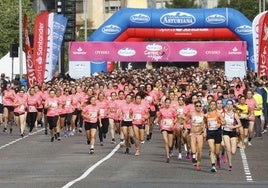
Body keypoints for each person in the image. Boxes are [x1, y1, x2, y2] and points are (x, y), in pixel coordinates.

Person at [205, 100, 225, 173]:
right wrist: (204, 131)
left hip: (217, 132)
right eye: (211, 104)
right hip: (210, 132)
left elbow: (224, 122)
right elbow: (204, 123)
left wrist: (220, 124)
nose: (213, 106)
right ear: (209, 106)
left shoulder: (219, 114)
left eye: (214, 104)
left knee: (217, 151)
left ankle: (218, 158)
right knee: (212, 149)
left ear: (216, 106)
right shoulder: (206, 115)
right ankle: (213, 166)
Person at [222, 99, 242, 171]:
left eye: (231, 104)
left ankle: (227, 153)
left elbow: (240, 124)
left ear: (233, 106)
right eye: (228, 104)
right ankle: (230, 164)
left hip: (233, 133)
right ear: (226, 105)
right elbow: (220, 122)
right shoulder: (223, 114)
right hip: (225, 132)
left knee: (233, 151)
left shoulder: (235, 115)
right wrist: (222, 123)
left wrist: (234, 126)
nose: (229, 105)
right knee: (228, 149)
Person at [157, 98, 177, 163]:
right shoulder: (161, 110)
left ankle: (170, 149)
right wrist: (160, 125)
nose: (167, 104)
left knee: (170, 144)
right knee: (166, 141)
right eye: (166, 102)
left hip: (170, 127)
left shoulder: (173, 110)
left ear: (170, 103)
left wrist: (173, 123)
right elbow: (159, 118)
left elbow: (176, 118)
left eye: (168, 102)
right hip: (164, 127)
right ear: (164, 103)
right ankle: (167, 156)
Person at [189, 101, 206, 170]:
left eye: (199, 106)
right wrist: (186, 129)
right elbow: (185, 120)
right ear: (195, 106)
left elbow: (205, 124)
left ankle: (198, 164)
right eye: (197, 106)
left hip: (200, 134)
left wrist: (204, 131)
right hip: (193, 133)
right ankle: (193, 155)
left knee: (200, 150)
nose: (198, 107)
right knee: (193, 150)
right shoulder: (191, 114)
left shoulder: (203, 115)